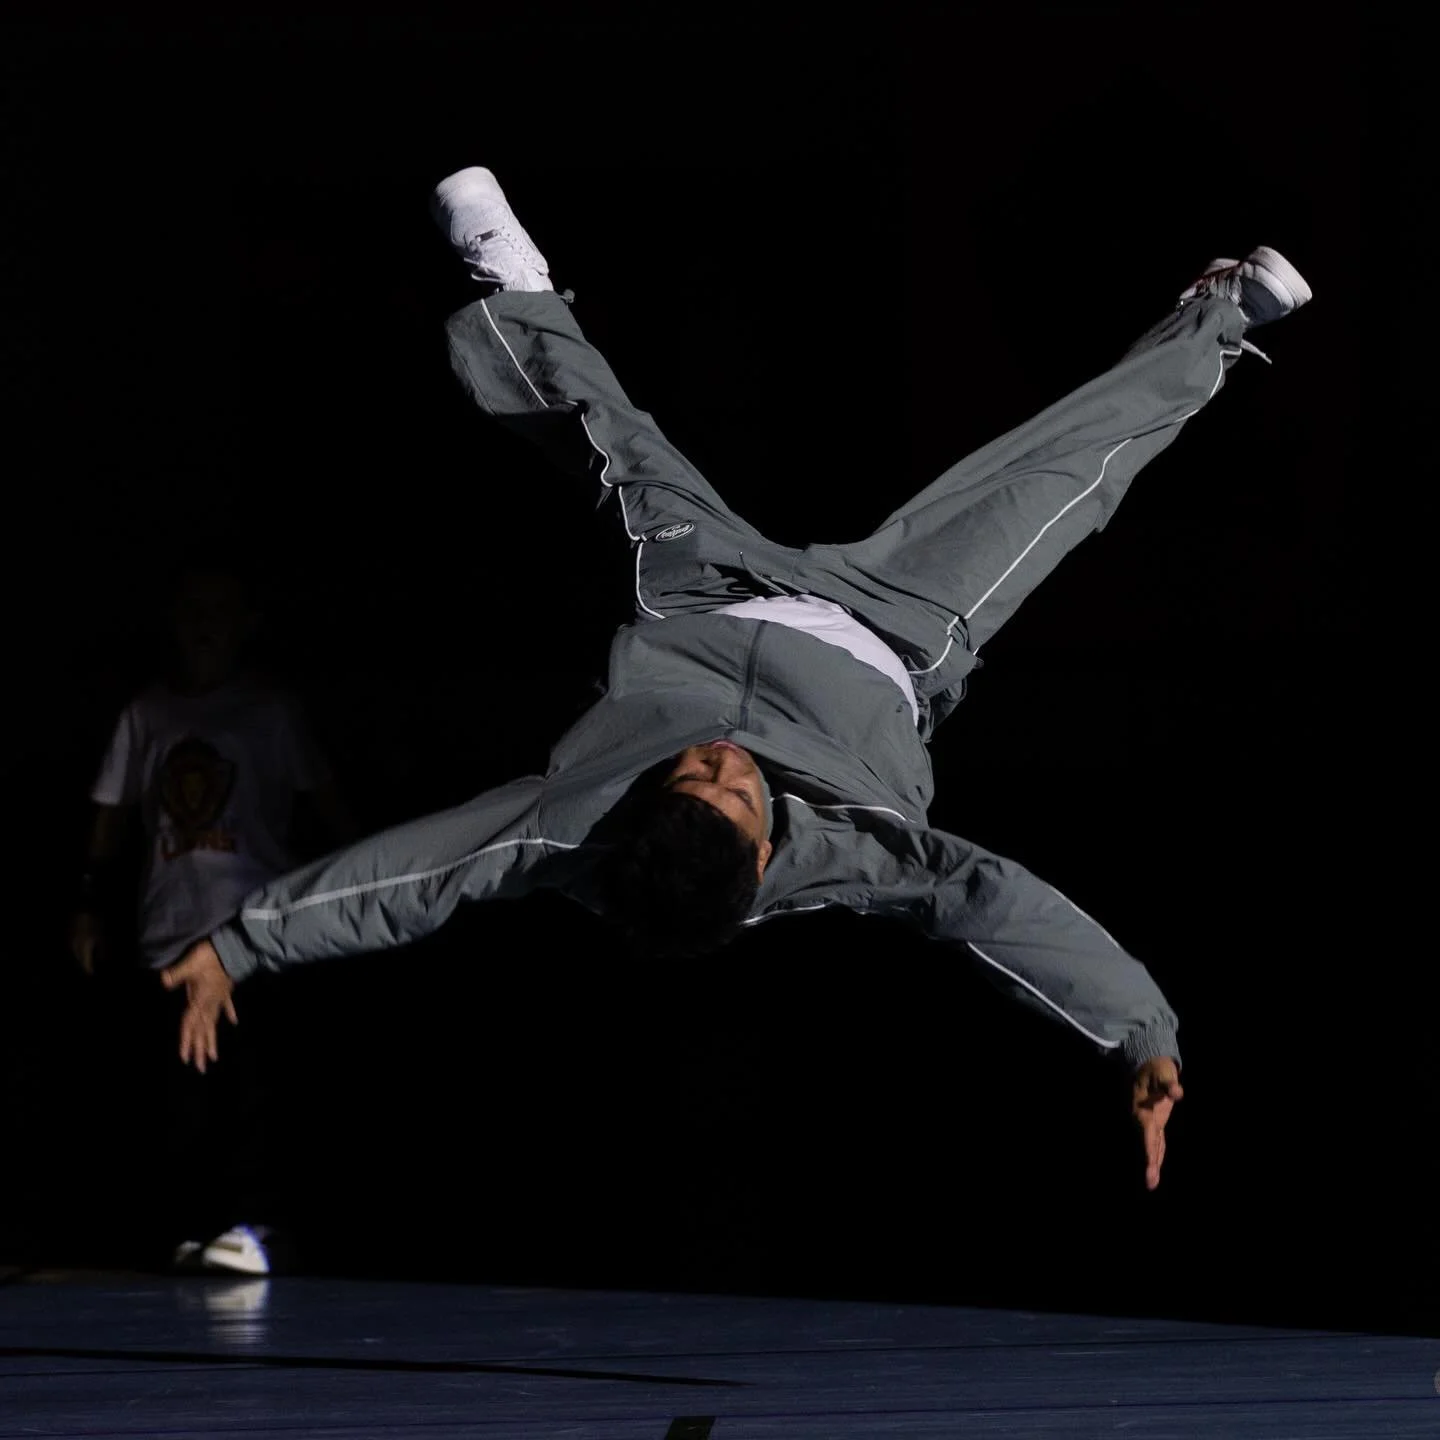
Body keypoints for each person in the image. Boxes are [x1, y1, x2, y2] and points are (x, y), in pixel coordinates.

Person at [162, 166, 1315, 1195]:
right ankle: (1214, 317)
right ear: (767, 852)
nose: (718, 760)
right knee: (1066, 481)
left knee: (619, 445)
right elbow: (997, 906)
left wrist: (242, 942)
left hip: (708, 597)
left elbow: (415, 874)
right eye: (730, 789)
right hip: (907, 630)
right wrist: (1140, 1034)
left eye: (691, 775)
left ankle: (514, 293)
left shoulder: (573, 831)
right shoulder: (859, 853)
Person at [71, 560, 352, 1273]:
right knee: (179, 1097)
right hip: (170, 934)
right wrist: (88, 905)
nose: (205, 626)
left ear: (245, 625)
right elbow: (108, 817)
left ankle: (258, 1226)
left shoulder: (270, 711)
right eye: (193, 610)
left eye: (220, 611)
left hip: (254, 936)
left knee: (253, 1089)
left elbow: (329, 810)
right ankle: (192, 1232)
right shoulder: (148, 713)